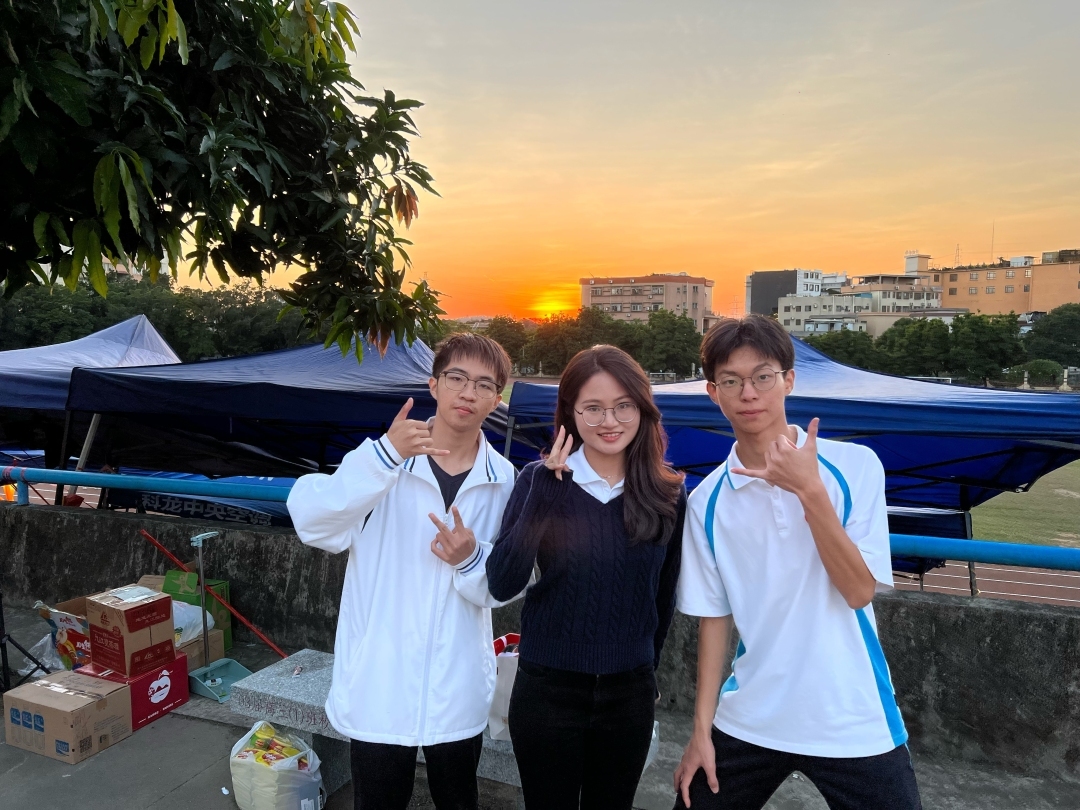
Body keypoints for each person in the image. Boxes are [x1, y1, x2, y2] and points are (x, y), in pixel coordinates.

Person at [672, 315, 922, 810]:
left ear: (788, 379)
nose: (749, 393)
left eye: (762, 376)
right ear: (713, 393)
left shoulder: (854, 467)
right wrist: (701, 732)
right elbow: (714, 618)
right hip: (750, 714)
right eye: (731, 381)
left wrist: (809, 490)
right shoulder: (706, 502)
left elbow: (858, 591)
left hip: (852, 716)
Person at [287, 333, 519, 810]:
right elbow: (313, 523)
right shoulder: (383, 462)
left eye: (484, 384)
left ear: (497, 398)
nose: (468, 393)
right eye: (457, 378)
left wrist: (469, 559)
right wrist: (383, 457)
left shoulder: (504, 480)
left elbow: (502, 586)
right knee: (378, 800)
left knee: (459, 799)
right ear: (434, 385)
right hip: (381, 678)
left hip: (458, 682)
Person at [486, 345, 687, 810]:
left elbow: (662, 597)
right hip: (546, 689)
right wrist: (542, 494)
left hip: (629, 694)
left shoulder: (667, 494)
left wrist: (646, 670)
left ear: (642, 409)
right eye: (592, 408)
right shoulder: (536, 481)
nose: (609, 421)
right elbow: (502, 582)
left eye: (623, 406)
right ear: (571, 413)